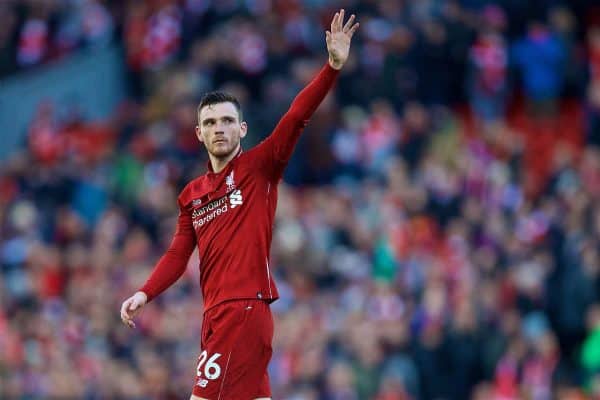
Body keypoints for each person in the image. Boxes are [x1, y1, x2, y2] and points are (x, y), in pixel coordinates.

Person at [120, 9, 359, 400]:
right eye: (211, 122)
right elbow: (179, 255)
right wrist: (144, 293)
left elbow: (296, 117)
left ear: (242, 129)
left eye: (228, 121)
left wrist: (331, 67)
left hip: (244, 310)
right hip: (215, 317)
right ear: (199, 133)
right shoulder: (191, 194)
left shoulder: (260, 167)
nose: (220, 129)